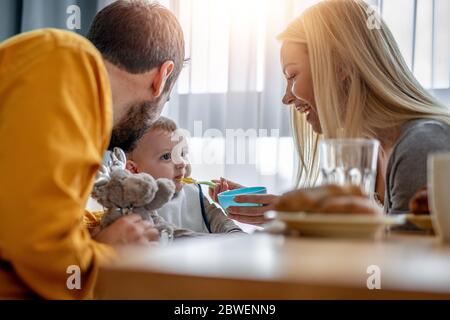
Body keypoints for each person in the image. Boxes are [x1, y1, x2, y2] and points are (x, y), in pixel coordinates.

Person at [0, 0, 185, 299]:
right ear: (162, 76)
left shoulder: (70, 82)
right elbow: (35, 245)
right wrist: (112, 254)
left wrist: (90, 236)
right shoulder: (69, 59)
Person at [210, 0, 450, 224]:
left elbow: (406, 261)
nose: (286, 98)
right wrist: (284, 214)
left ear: (341, 65)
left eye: (292, 75)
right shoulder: (369, 151)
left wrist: (300, 216)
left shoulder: (421, 146)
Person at [125, 117, 243, 236]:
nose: (181, 163)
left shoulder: (192, 190)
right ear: (134, 170)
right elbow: (170, 235)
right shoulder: (138, 203)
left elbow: (218, 219)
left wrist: (236, 234)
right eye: (166, 156)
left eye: (182, 154)